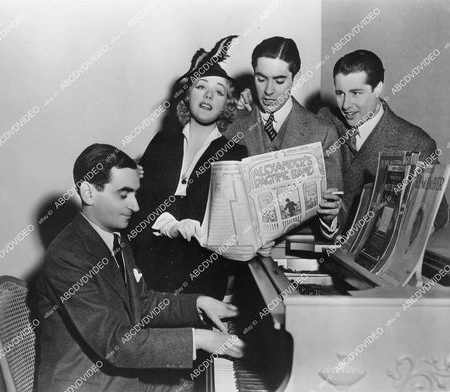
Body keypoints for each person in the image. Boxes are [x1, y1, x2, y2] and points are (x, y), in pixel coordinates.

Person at [34, 144, 244, 392]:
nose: (136, 206)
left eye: (135, 193)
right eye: (124, 194)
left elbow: (142, 303)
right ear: (89, 192)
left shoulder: (115, 238)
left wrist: (199, 303)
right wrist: (201, 339)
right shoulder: (66, 257)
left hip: (117, 375)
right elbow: (115, 344)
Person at [129, 36, 247, 300]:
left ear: (227, 103)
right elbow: (141, 201)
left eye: (219, 91)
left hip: (202, 279)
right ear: (188, 94)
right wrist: (167, 223)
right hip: (150, 272)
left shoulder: (236, 154)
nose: (208, 96)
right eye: (201, 87)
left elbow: (230, 223)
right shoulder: (161, 142)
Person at [224, 36, 344, 239]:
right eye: (261, 79)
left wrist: (330, 217)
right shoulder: (230, 127)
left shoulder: (323, 132)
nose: (269, 90)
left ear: (294, 77)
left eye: (279, 81)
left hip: (297, 254)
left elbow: (336, 218)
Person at [317, 49, 448, 228]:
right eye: (340, 93)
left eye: (356, 93)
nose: (346, 105)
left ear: (378, 89)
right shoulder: (325, 120)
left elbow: (436, 216)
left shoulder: (417, 143)